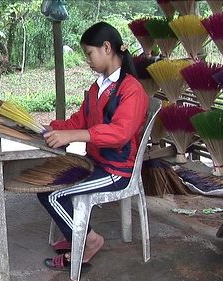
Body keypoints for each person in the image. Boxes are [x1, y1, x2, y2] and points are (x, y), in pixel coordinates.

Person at [38, 21, 149, 272]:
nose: (87, 60)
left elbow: (120, 134)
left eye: (89, 53)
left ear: (107, 48)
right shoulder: (98, 87)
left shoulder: (131, 90)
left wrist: (74, 136)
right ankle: (77, 232)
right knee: (45, 187)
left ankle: (89, 240)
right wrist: (52, 128)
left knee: (54, 195)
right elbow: (79, 120)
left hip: (117, 172)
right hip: (97, 164)